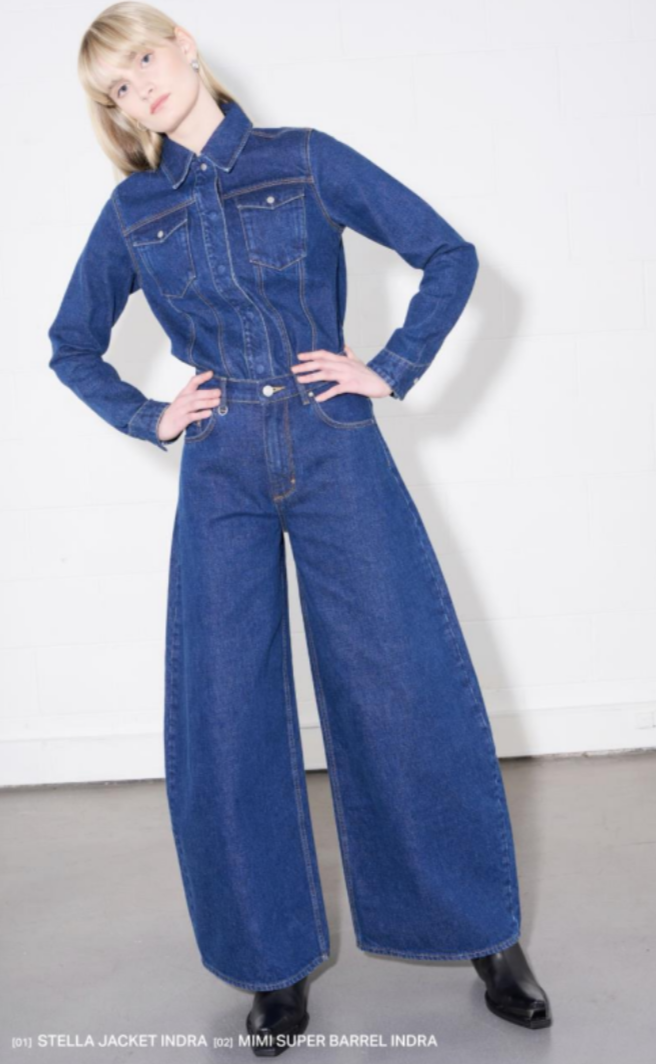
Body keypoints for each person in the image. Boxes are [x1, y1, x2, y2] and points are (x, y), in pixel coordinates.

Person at [48, 2, 552, 1053]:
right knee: (225, 709)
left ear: (184, 45)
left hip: (332, 442)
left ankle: (482, 933)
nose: (140, 90)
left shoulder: (305, 159)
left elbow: (447, 253)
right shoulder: (135, 210)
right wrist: (150, 415)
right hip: (220, 462)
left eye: (144, 61)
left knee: (403, 681)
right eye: (118, 89)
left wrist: (390, 367)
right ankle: (270, 964)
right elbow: (71, 343)